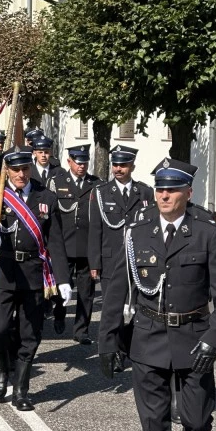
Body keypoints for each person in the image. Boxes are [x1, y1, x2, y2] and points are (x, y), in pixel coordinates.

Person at [98, 158, 216, 431]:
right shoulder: (136, 232)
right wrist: (108, 339)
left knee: (196, 420)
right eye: (160, 188)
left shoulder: (206, 233)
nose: (163, 194)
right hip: (147, 339)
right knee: (154, 422)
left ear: (187, 193)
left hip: (194, 338)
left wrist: (214, 339)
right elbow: (116, 288)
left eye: (172, 189)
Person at [0, 148, 71, 411]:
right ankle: (1, 369)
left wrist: (63, 278)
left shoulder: (46, 196)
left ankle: (21, 389)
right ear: (6, 169)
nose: (20, 174)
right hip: (2, 269)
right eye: (15, 169)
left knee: (30, 334)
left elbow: (55, 240)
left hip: (32, 272)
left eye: (25, 168)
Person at [88, 145, 154, 369]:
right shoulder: (101, 192)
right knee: (113, 310)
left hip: (138, 261)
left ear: (132, 166)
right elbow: (95, 229)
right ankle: (114, 351)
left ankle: (128, 344)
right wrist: (94, 263)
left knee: (140, 307)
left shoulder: (144, 192)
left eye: (123, 165)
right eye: (115, 164)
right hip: (111, 262)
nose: (118, 169)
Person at [47, 145, 101, 342]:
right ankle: (59, 311)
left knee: (86, 292)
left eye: (85, 162)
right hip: (64, 244)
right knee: (63, 285)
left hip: (87, 245)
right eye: (78, 162)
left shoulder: (96, 184)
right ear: (69, 161)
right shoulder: (56, 182)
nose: (82, 166)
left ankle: (81, 331)